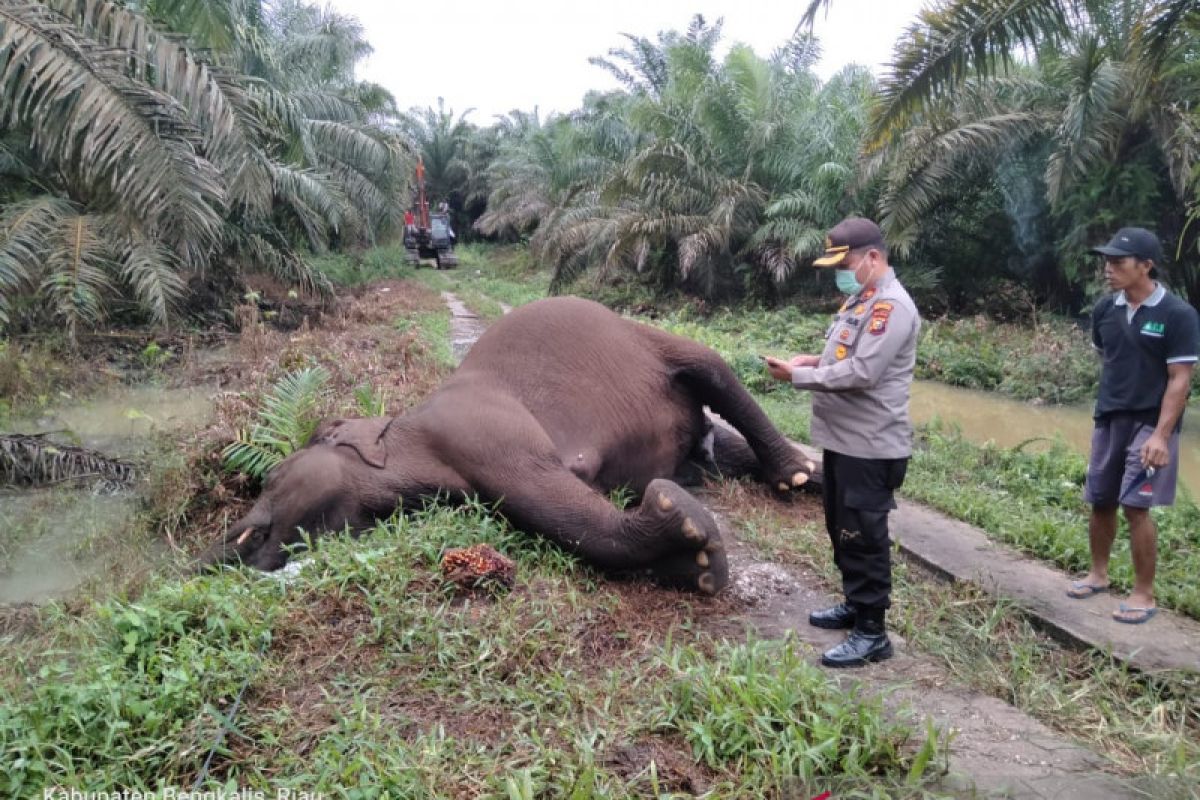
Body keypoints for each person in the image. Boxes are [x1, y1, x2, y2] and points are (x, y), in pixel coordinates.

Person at [765, 217, 920, 667]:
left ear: (873, 257)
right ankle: (855, 604)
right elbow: (844, 356)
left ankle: (873, 632)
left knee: (865, 535)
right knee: (842, 528)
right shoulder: (862, 298)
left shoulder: (893, 307)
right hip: (843, 441)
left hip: (870, 446)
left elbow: (863, 373)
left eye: (846, 262)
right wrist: (811, 359)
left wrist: (799, 376)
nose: (842, 271)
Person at [1066, 227, 1199, 624]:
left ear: (1146, 265)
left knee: (1135, 506)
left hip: (1150, 423)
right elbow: (1107, 357)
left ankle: (1144, 594)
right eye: (1106, 261)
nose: (1108, 269)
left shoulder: (1178, 315)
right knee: (1100, 498)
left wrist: (1161, 435)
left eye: (1118, 262)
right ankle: (1098, 574)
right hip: (1109, 417)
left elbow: (1180, 379)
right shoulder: (1106, 310)